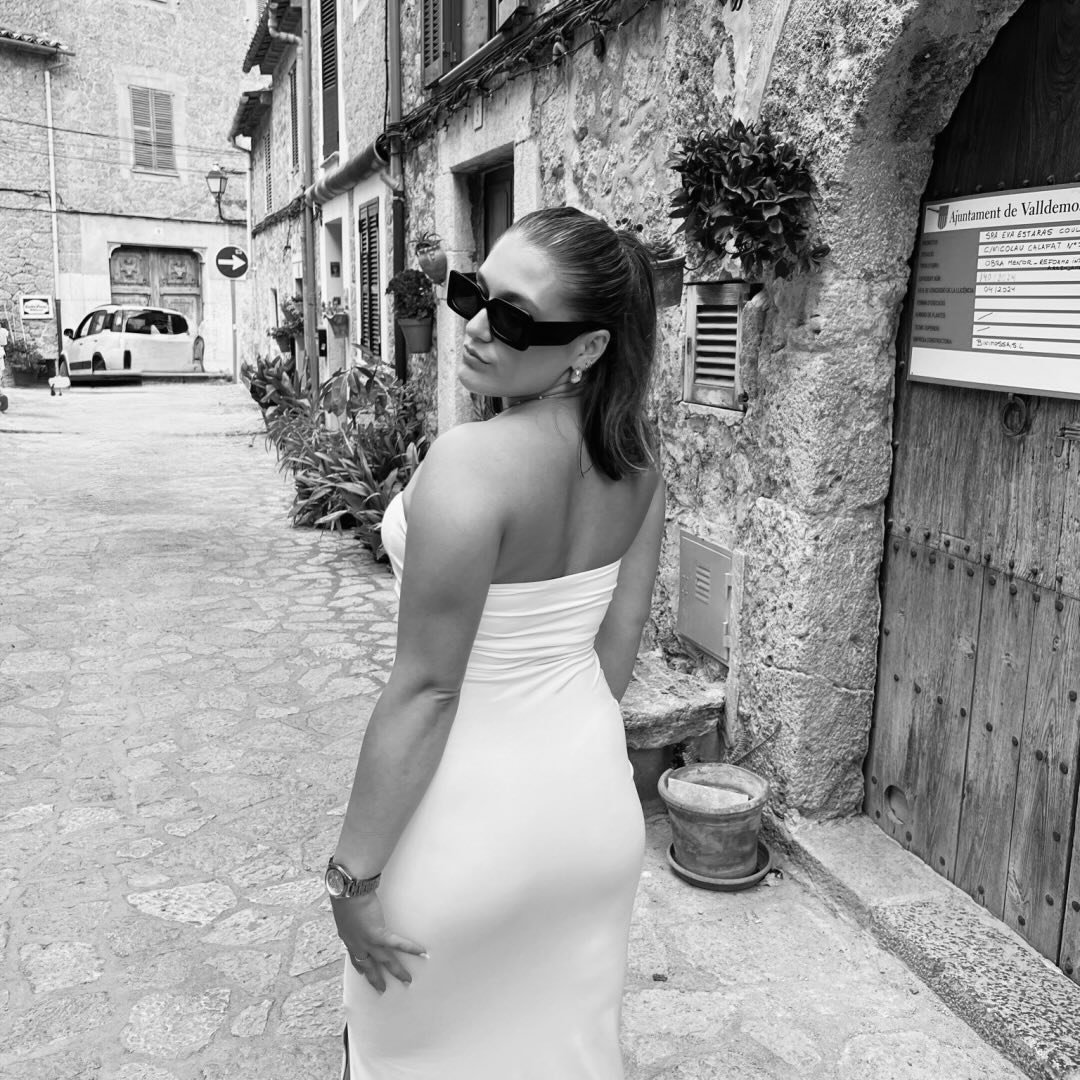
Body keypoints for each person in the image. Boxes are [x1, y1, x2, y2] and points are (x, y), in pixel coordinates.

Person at [329, 206, 665, 1079]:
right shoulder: (637, 460)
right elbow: (617, 645)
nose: (477, 326)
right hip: (590, 809)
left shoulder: (471, 463)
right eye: (473, 295)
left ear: (588, 348)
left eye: (514, 319)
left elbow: (427, 690)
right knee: (561, 1048)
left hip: (466, 825)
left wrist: (351, 879)